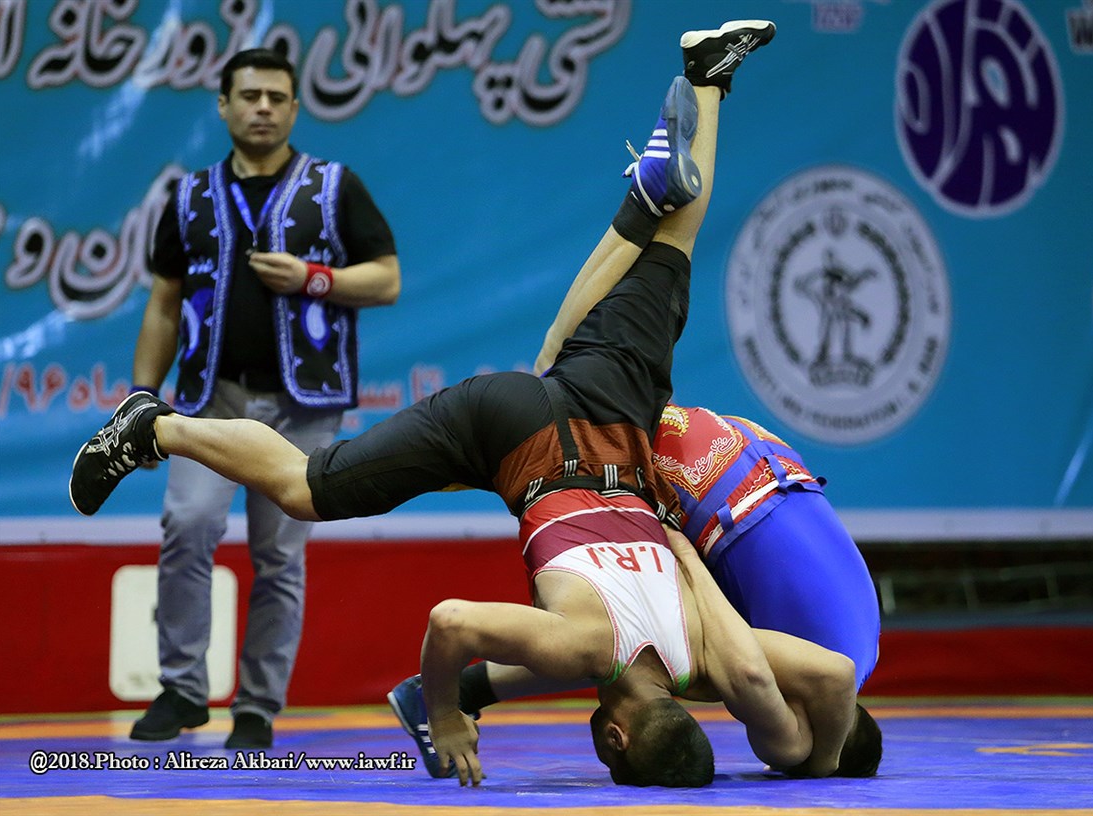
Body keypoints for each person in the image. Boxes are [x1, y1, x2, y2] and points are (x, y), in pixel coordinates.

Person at [71, 20, 877, 787]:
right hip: (515, 434)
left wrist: (812, 761)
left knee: (674, 244)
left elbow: (834, 676)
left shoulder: (705, 650)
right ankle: (159, 429)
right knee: (303, 485)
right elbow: (450, 621)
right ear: (615, 737)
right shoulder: (586, 650)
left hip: (612, 421)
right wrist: (447, 714)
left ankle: (705, 87)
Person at [120, 47, 401, 749]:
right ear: (223, 105)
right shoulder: (188, 195)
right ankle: (183, 690)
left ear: (296, 107)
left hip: (301, 407)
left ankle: (257, 708)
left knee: (280, 555)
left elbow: (387, 278)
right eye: (250, 96)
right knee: (187, 527)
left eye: (277, 97)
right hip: (208, 400)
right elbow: (163, 303)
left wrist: (314, 278)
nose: (264, 108)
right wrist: (141, 399)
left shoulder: (334, 187)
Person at [389, 401, 881, 775]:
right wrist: (815, 768)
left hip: (748, 456)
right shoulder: (753, 689)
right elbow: (754, 677)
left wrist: (685, 557)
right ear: (615, 738)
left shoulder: (852, 650)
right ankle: (460, 689)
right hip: (654, 482)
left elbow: (816, 672)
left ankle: (469, 687)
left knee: (618, 652)